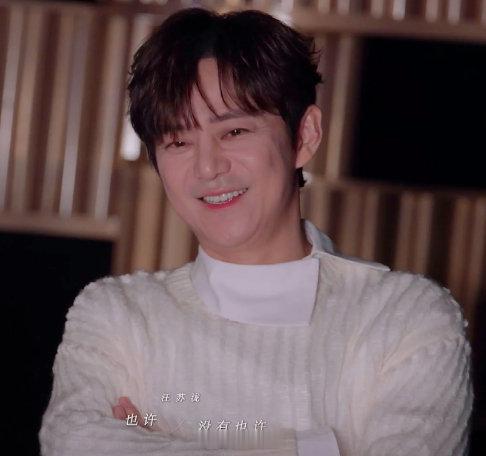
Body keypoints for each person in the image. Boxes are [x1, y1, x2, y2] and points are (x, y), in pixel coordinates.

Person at [39, 7, 473, 456]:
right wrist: (317, 448)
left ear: (304, 136)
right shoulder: (117, 316)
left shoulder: (406, 319)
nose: (208, 167)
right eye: (179, 141)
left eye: (234, 131)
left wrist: (162, 437)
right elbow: (72, 441)